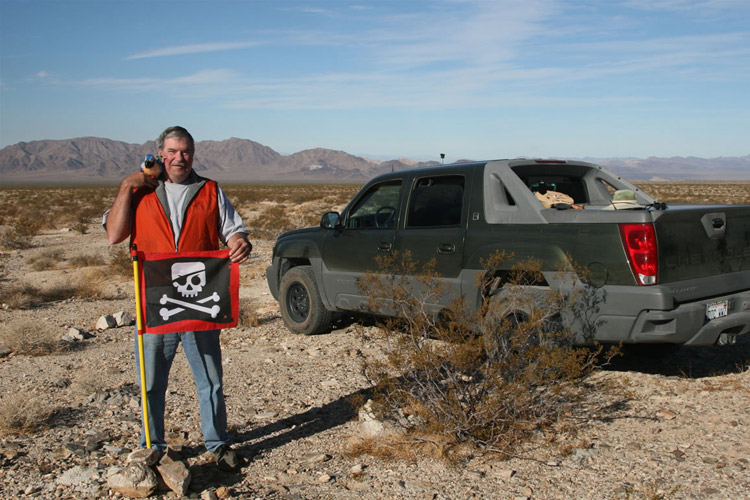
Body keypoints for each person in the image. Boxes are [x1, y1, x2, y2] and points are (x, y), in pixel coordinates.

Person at [103, 126, 251, 472]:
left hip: (201, 299)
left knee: (210, 379)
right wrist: (128, 185)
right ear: (159, 154)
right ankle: (151, 445)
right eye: (172, 151)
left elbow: (234, 229)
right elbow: (114, 235)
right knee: (152, 380)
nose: (179, 158)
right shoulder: (140, 193)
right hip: (155, 304)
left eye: (185, 151)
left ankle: (217, 443)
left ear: (193, 154)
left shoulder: (210, 190)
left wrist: (240, 241)